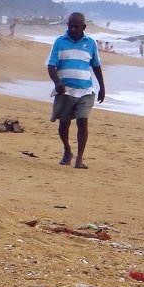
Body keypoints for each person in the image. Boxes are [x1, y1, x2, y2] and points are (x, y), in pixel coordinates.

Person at [47, 11, 106, 169]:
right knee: (63, 126)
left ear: (84, 27)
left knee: (83, 122)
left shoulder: (91, 43)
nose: (72, 29)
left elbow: (96, 66)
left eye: (76, 26)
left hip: (86, 91)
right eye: (70, 25)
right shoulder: (59, 42)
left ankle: (79, 159)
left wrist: (102, 88)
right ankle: (67, 150)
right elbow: (51, 66)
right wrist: (57, 83)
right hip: (65, 92)